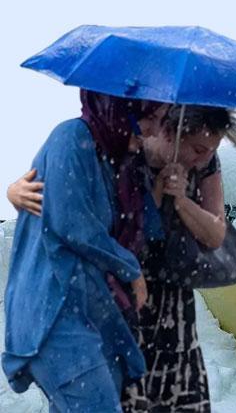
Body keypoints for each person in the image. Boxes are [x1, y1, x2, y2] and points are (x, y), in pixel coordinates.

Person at [9, 104, 236, 412]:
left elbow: (215, 234)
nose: (203, 158)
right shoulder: (126, 146)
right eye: (198, 148)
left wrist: (181, 201)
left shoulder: (203, 165)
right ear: (172, 134)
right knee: (116, 396)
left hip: (164, 298)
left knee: (173, 394)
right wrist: (15, 193)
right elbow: (69, 209)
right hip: (115, 295)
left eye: (211, 150)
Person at [2, 90, 169, 412]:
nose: (151, 133)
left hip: (92, 313)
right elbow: (72, 223)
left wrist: (159, 182)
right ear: (122, 114)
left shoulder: (116, 161)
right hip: (55, 314)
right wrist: (130, 270)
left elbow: (149, 230)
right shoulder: (72, 137)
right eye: (147, 122)